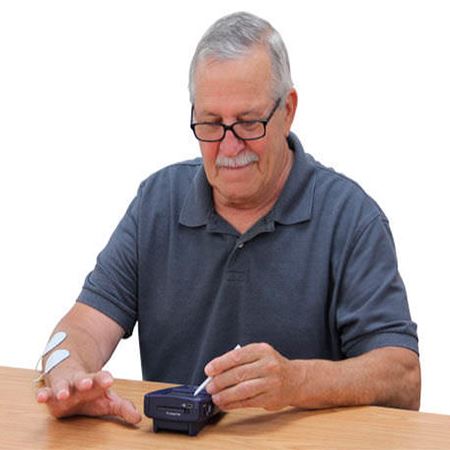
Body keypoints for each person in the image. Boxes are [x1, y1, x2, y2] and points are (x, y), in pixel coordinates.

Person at [35, 12, 420, 424]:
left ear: (288, 110)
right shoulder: (157, 203)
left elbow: (403, 376)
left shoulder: (351, 217)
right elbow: (84, 327)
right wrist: (68, 377)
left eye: (249, 123)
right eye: (211, 124)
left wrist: (296, 381)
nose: (230, 146)